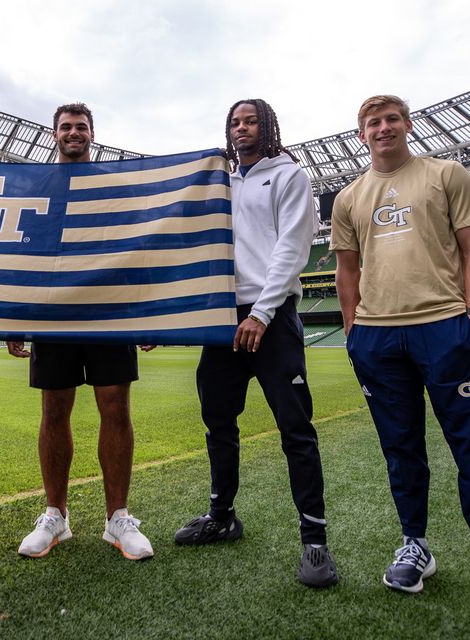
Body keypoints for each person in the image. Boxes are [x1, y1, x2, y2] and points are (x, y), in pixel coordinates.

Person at [331, 95, 470, 623]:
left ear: (408, 125)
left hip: (444, 327)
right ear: (362, 134)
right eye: (373, 122)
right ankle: (414, 546)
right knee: (401, 451)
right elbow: (346, 272)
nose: (383, 127)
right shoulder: (348, 197)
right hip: (376, 337)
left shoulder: (447, 174)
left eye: (392, 118)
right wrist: (352, 331)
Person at [174, 99, 339, 588]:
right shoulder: (219, 181)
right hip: (223, 320)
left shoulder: (289, 176)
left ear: (267, 127)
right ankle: (222, 516)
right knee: (217, 423)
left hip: (271, 318)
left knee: (295, 428)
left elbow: (293, 248)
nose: (240, 128)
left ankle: (315, 542)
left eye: (249, 121)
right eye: (233, 122)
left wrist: (262, 314)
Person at [6, 103, 153, 561]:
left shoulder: (113, 185)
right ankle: (56, 515)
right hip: (52, 312)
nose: (74, 132)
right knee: (54, 408)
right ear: (54, 134)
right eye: (66, 127)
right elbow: (20, 250)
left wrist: (147, 311)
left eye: (81, 127)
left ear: (93, 134)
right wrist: (13, 315)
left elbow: (136, 246)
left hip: (110, 309)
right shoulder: (38, 186)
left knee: (115, 405)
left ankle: (118, 518)